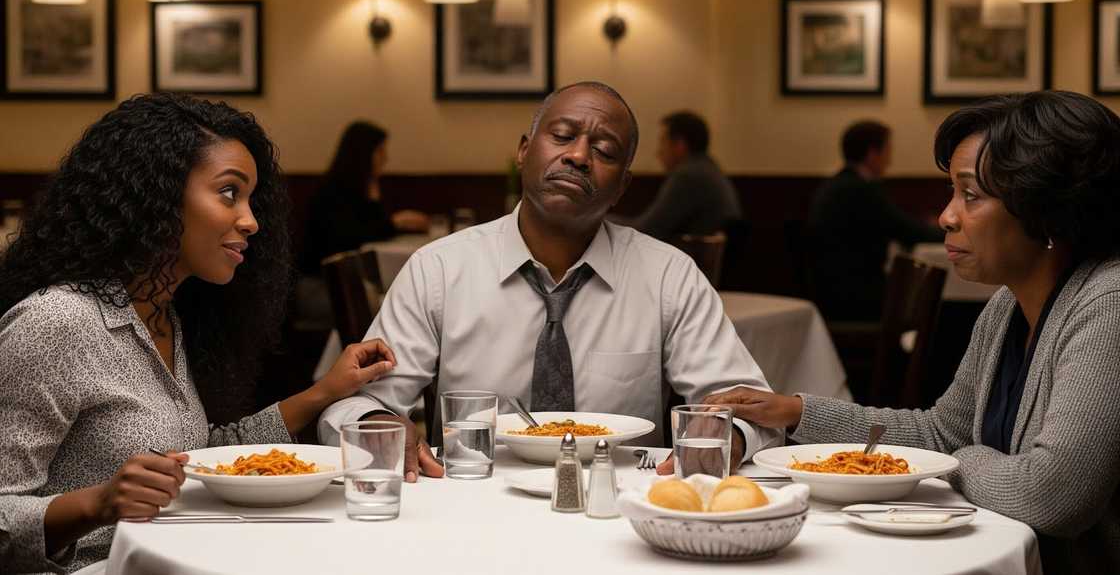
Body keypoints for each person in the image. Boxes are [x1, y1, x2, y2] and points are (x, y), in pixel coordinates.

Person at [703, 91, 1120, 573]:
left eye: (971, 195)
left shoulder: (1107, 305)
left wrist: (960, 459)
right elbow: (940, 433)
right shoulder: (1007, 306)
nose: (947, 216)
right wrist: (795, 411)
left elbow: (1053, 497)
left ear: (1047, 209)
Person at [0, 94, 398, 573]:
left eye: (251, 199)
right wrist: (97, 503)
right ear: (156, 193)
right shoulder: (57, 324)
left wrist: (325, 392)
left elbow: (198, 455)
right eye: (230, 193)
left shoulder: (165, 316)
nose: (251, 221)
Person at [318, 82, 782, 480]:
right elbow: (352, 406)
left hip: (621, 508)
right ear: (524, 151)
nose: (579, 156)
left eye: (604, 152)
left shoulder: (667, 275)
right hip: (470, 504)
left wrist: (729, 436)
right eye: (562, 136)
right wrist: (380, 422)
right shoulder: (439, 269)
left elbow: (754, 409)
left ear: (622, 185)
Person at [806, 120, 942, 321]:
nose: (889, 160)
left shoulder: (836, 185)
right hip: (854, 296)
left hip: (830, 290)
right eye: (887, 150)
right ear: (872, 154)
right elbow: (910, 233)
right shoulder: (860, 190)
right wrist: (952, 231)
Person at [298, 121, 429, 275]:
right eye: (380, 151)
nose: (385, 158)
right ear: (363, 153)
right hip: (323, 280)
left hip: (352, 275)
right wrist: (396, 222)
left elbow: (374, 232)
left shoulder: (362, 186)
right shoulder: (332, 191)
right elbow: (351, 240)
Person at [631, 111, 741, 242]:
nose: (658, 152)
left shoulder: (689, 176)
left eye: (663, 141)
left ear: (679, 145)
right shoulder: (707, 168)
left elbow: (648, 229)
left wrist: (606, 222)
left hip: (693, 258)